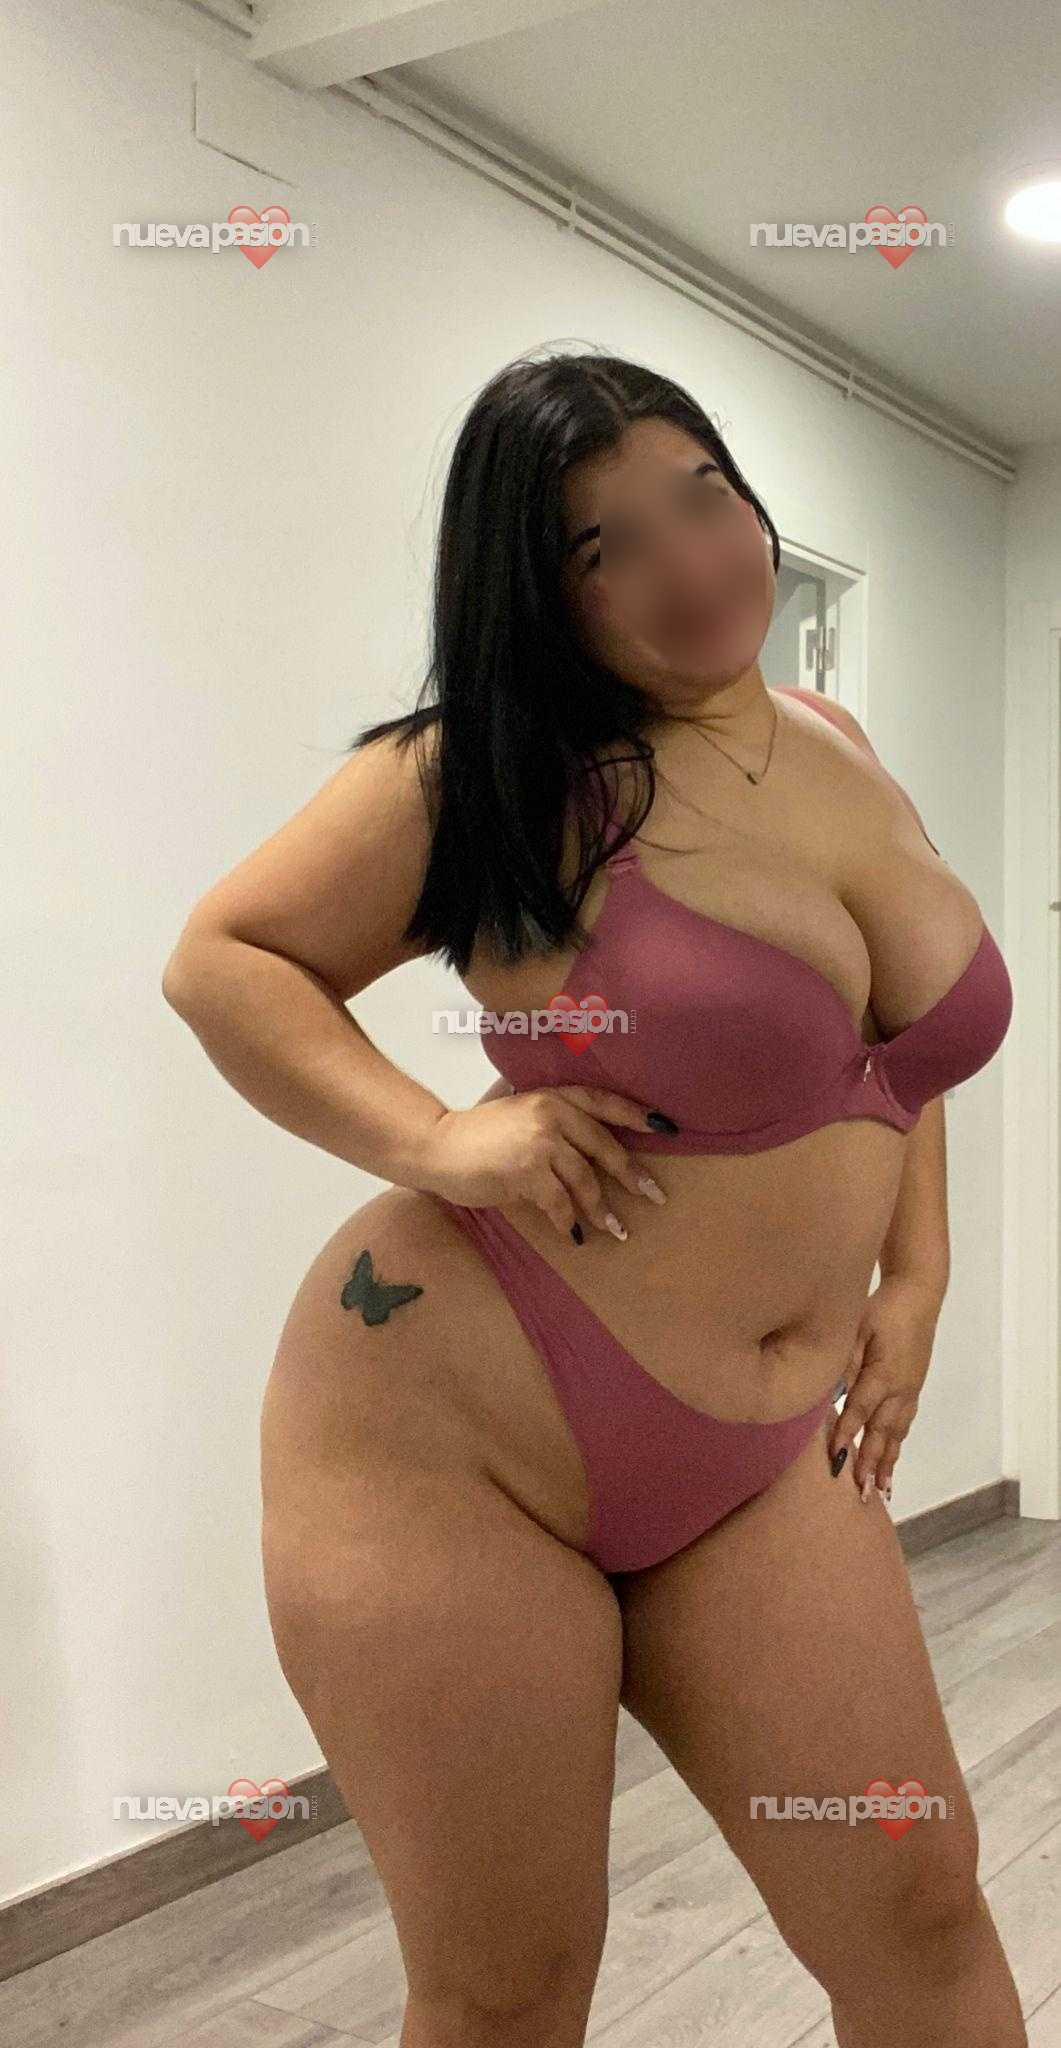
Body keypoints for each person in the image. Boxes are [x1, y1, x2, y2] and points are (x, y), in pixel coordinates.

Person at [162, 348, 1022, 2048]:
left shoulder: (833, 741)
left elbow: (892, 1054)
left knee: (914, 1906)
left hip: (761, 1457)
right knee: (508, 1990)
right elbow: (225, 960)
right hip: (450, 1438)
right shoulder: (492, 774)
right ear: (536, 593)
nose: (689, 564)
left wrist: (914, 1279)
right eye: (601, 546)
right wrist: (434, 1137)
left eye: (701, 499)